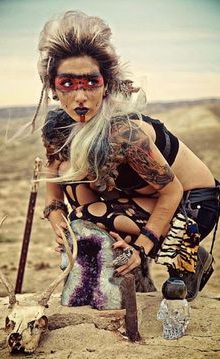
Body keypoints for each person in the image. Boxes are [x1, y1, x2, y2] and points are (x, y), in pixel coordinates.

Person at [35, 10, 219, 301]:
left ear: (106, 85)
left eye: (91, 83)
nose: (80, 96)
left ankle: (188, 255)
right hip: (145, 200)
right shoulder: (58, 131)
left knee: (85, 217)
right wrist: (60, 227)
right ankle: (125, 278)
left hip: (192, 202)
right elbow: (54, 197)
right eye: (68, 84)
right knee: (72, 180)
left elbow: (173, 191)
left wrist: (142, 246)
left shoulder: (125, 133)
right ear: (53, 88)